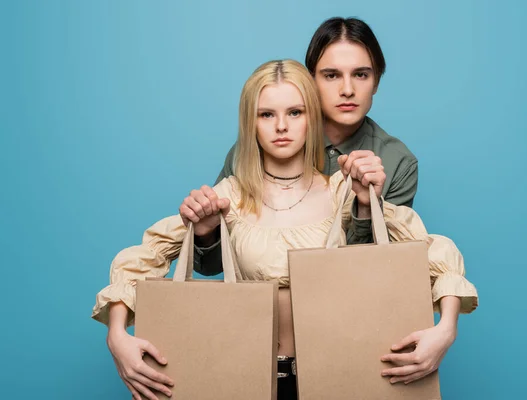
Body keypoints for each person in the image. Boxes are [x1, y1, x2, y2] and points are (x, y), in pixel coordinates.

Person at [92, 59, 479, 400]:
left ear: (312, 117)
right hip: (240, 379)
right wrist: (117, 336)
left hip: (341, 377)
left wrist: (445, 330)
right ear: (250, 122)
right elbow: (141, 259)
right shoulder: (228, 196)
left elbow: (434, 254)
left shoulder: (343, 191)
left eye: (295, 112)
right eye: (266, 115)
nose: (281, 126)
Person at [192, 16, 419, 276]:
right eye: (331, 75)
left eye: (361, 74)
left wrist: (365, 209)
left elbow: (382, 270)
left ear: (376, 81)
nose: (347, 89)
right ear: (310, 81)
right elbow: (214, 264)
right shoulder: (261, 146)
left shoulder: (397, 162)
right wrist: (206, 235)